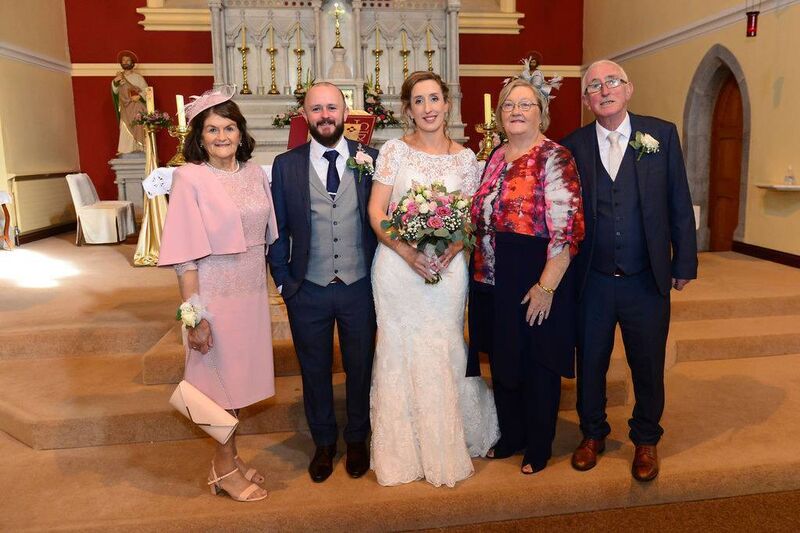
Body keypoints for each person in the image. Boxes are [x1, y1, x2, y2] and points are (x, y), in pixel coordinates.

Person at [561, 60, 697, 481]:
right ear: (586, 99)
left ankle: (646, 439)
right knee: (591, 363)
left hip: (646, 277)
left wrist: (685, 260)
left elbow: (678, 200)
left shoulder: (661, 135)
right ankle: (593, 433)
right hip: (592, 280)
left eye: (612, 82)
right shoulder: (573, 145)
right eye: (594, 85)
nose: (604, 90)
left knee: (647, 363)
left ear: (628, 89)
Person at [368, 71, 500, 488]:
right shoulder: (393, 151)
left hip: (446, 269)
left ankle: (446, 441)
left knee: (443, 345)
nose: (428, 108)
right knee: (397, 346)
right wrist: (408, 253)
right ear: (408, 110)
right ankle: (402, 450)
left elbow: (470, 219)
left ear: (447, 104)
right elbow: (377, 212)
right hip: (396, 268)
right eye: (419, 101)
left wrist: (453, 249)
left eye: (434, 99)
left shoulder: (467, 160)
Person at [158, 86, 278, 502]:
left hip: (250, 296)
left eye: (229, 127)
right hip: (215, 298)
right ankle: (224, 470)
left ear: (241, 133)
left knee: (239, 385)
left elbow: (266, 237)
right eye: (212, 129)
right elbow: (184, 257)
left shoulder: (255, 173)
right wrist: (195, 316)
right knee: (217, 388)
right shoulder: (189, 177)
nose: (222, 136)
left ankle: (230, 458)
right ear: (200, 136)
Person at [468, 64, 585, 475]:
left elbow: (567, 230)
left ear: (541, 112)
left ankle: (539, 445)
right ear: (499, 114)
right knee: (503, 362)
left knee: (537, 364)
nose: (516, 110)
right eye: (509, 105)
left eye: (526, 104)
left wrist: (546, 287)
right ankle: (513, 435)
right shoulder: (495, 157)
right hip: (490, 276)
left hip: (534, 272)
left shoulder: (555, 156)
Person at [268, 82, 379, 483]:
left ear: (346, 113)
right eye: (317, 109)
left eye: (332, 107)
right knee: (313, 369)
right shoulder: (286, 165)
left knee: (360, 366)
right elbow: (276, 228)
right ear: (305, 115)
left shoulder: (373, 158)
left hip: (359, 285)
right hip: (308, 287)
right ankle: (324, 443)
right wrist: (284, 282)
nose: (325, 115)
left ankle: (357, 439)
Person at [111, 50, 148, 154]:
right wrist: (116, 82)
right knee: (125, 127)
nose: (125, 62)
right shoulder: (119, 77)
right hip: (125, 107)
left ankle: (139, 147)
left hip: (136, 107)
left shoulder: (138, 77)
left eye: (128, 60)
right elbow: (114, 91)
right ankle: (125, 149)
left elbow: (146, 91)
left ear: (132, 63)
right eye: (124, 60)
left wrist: (139, 96)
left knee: (138, 126)